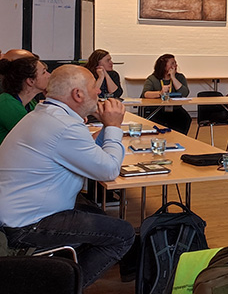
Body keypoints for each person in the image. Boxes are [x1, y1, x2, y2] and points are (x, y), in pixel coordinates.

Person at [0, 65, 134, 287]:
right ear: (78, 94)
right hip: (25, 225)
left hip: (15, 213)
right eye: (94, 87)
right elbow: (109, 170)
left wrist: (106, 128)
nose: (99, 92)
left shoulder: (47, 114)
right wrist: (113, 127)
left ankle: (57, 275)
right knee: (123, 234)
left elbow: (85, 153)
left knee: (97, 214)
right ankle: (64, 285)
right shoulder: (64, 126)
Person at [0, 54, 50, 144]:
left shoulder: (30, 103)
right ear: (30, 81)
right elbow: (39, 135)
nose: (49, 75)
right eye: (44, 72)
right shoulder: (7, 104)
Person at [141, 54, 192, 134]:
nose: (175, 65)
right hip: (158, 109)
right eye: (172, 63)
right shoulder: (153, 78)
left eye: (175, 63)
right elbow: (145, 93)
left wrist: (173, 77)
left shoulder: (180, 77)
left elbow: (185, 93)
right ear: (164, 66)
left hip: (175, 109)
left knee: (186, 118)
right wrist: (160, 93)